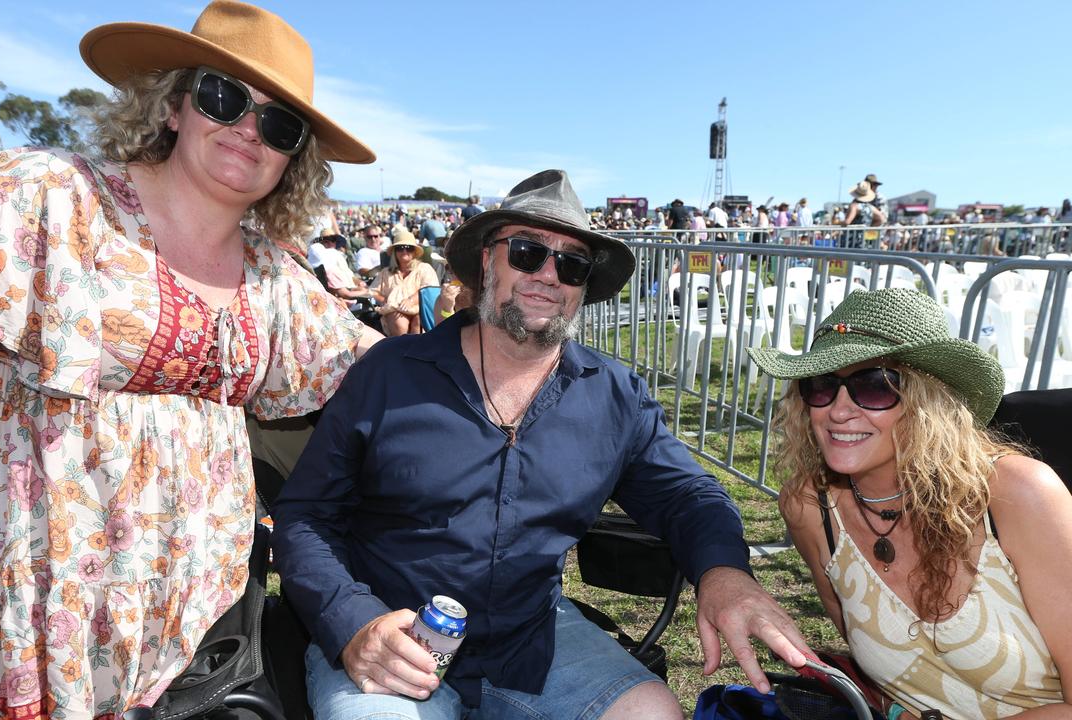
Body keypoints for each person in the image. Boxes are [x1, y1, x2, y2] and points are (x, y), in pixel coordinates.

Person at [0, 2, 385, 716]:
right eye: (223, 96)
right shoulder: (50, 197)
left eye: (279, 124)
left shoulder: (274, 276)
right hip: (36, 595)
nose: (248, 128)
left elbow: (386, 369)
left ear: (292, 155)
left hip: (196, 621)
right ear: (175, 104)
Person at [272, 169, 810, 720]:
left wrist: (724, 575)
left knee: (653, 713)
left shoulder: (615, 396)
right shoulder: (389, 373)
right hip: (388, 636)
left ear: (582, 288)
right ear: (487, 262)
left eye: (572, 264)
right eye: (528, 252)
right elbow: (306, 516)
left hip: (533, 639)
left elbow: (687, 495)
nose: (549, 275)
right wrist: (353, 620)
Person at [747, 288, 1072, 719]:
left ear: (930, 401)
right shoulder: (812, 509)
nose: (839, 410)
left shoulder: (1015, 493)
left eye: (874, 386)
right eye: (822, 384)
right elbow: (887, 678)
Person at [370, 228, 439, 335]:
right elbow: (373, 291)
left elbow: (429, 289)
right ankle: (401, 350)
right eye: (400, 248)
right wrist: (384, 299)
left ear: (414, 252)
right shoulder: (386, 272)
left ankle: (416, 351)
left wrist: (411, 300)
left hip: (419, 309)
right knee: (399, 323)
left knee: (419, 322)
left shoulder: (424, 268)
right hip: (394, 309)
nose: (404, 251)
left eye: (409, 248)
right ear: (394, 252)